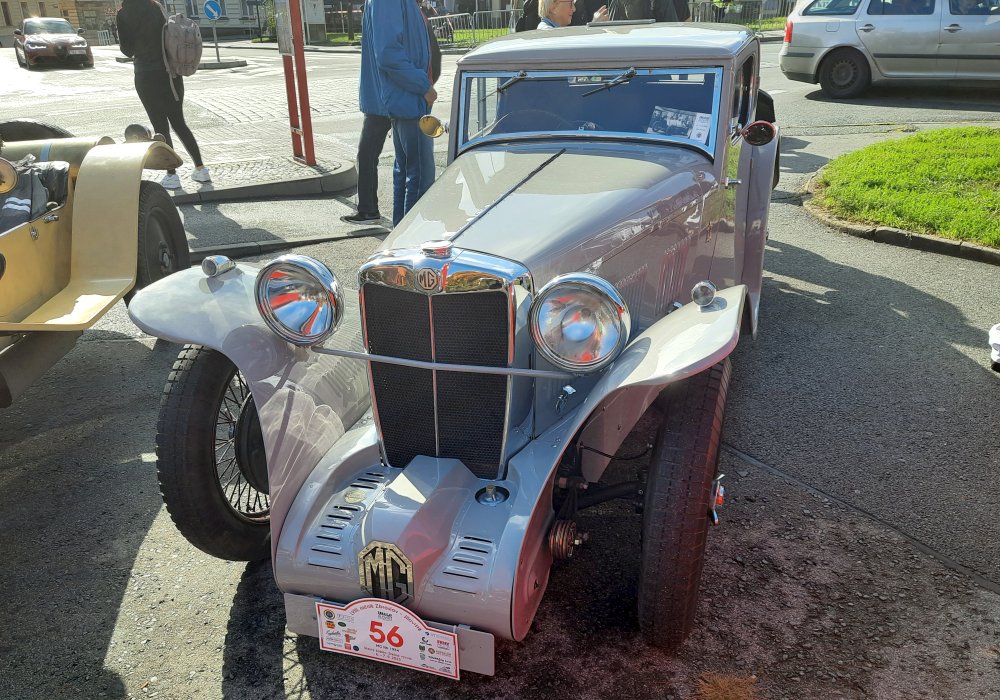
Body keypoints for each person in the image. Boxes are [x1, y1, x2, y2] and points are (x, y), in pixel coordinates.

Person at [344, 0, 441, 226]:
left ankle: (402, 239)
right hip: (408, 98)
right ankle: (410, 242)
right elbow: (388, 54)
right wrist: (423, 86)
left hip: (408, 99)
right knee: (419, 177)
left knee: (409, 174)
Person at [116, 0, 211, 189]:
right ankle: (201, 169)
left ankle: (172, 175)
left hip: (145, 75)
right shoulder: (156, 7)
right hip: (170, 73)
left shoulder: (123, 14)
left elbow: (127, 50)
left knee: (160, 126)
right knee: (179, 122)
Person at [539, 0, 607, 28]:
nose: (574, 9)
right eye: (571, 3)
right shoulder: (547, 32)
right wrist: (594, 27)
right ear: (554, 7)